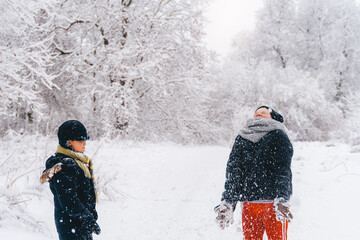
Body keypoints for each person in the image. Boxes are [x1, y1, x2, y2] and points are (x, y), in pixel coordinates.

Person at [215, 106, 293, 240]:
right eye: (256, 113)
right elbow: (234, 172)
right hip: (249, 204)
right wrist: (228, 202)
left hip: (273, 204)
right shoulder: (242, 136)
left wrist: (281, 198)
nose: (259, 114)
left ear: (273, 118)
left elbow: (283, 169)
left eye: (264, 112)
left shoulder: (278, 135)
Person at [41, 120, 101, 240]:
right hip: (70, 225)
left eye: (85, 140)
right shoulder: (65, 166)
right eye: (80, 140)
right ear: (68, 142)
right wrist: (87, 218)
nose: (84, 143)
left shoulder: (80, 162)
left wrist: (91, 214)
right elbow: (68, 200)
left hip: (80, 223)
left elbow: (85, 193)